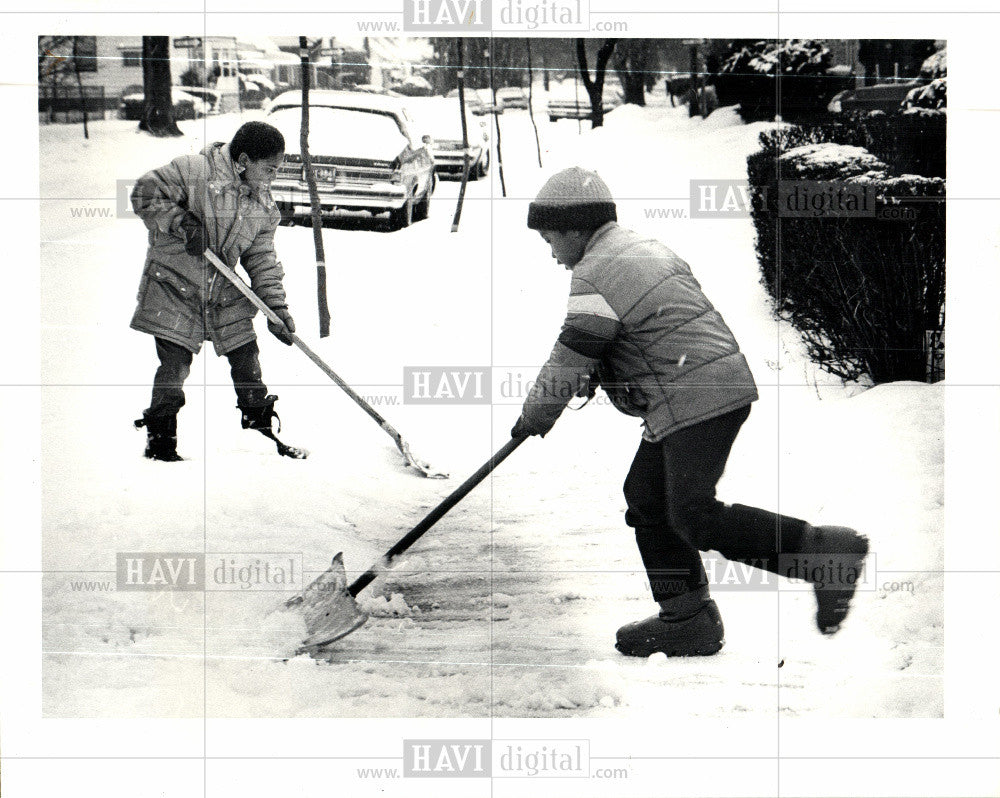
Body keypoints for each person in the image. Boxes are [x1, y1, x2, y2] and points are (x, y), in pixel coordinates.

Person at [511, 167, 869, 657]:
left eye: (551, 239)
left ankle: (824, 552)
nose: (553, 254)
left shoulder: (596, 273)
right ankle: (688, 618)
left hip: (694, 396)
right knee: (647, 496)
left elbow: (570, 356)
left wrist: (535, 415)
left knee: (693, 516)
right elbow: (647, 331)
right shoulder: (639, 248)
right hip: (704, 388)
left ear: (576, 229)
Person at [130, 121, 297, 461]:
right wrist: (182, 222)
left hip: (221, 290)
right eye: (269, 169)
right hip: (173, 285)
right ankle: (160, 440)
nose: (272, 178)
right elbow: (143, 193)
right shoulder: (193, 171)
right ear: (244, 160)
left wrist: (275, 308)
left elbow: (261, 257)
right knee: (174, 365)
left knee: (246, 355)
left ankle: (261, 429)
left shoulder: (262, 205)